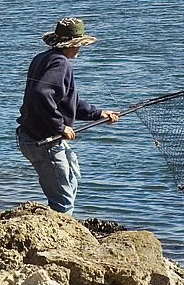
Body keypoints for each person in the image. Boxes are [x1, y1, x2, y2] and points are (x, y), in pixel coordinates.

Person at [16, 17, 120, 216]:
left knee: (72, 176)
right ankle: (60, 240)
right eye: (79, 44)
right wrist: (60, 127)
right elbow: (41, 93)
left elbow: (66, 102)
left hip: (33, 136)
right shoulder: (61, 63)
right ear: (71, 44)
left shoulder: (43, 57)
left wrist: (99, 113)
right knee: (63, 200)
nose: (80, 49)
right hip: (44, 141)